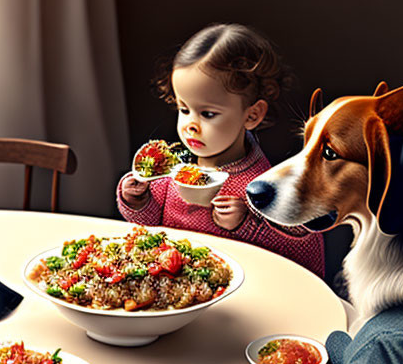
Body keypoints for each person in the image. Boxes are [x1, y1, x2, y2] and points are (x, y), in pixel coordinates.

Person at [117, 23, 325, 278]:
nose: (191, 125)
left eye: (208, 114)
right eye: (184, 109)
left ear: (252, 115)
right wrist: (137, 200)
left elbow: (306, 257)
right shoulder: (172, 171)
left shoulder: (262, 188)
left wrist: (247, 225)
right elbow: (150, 225)